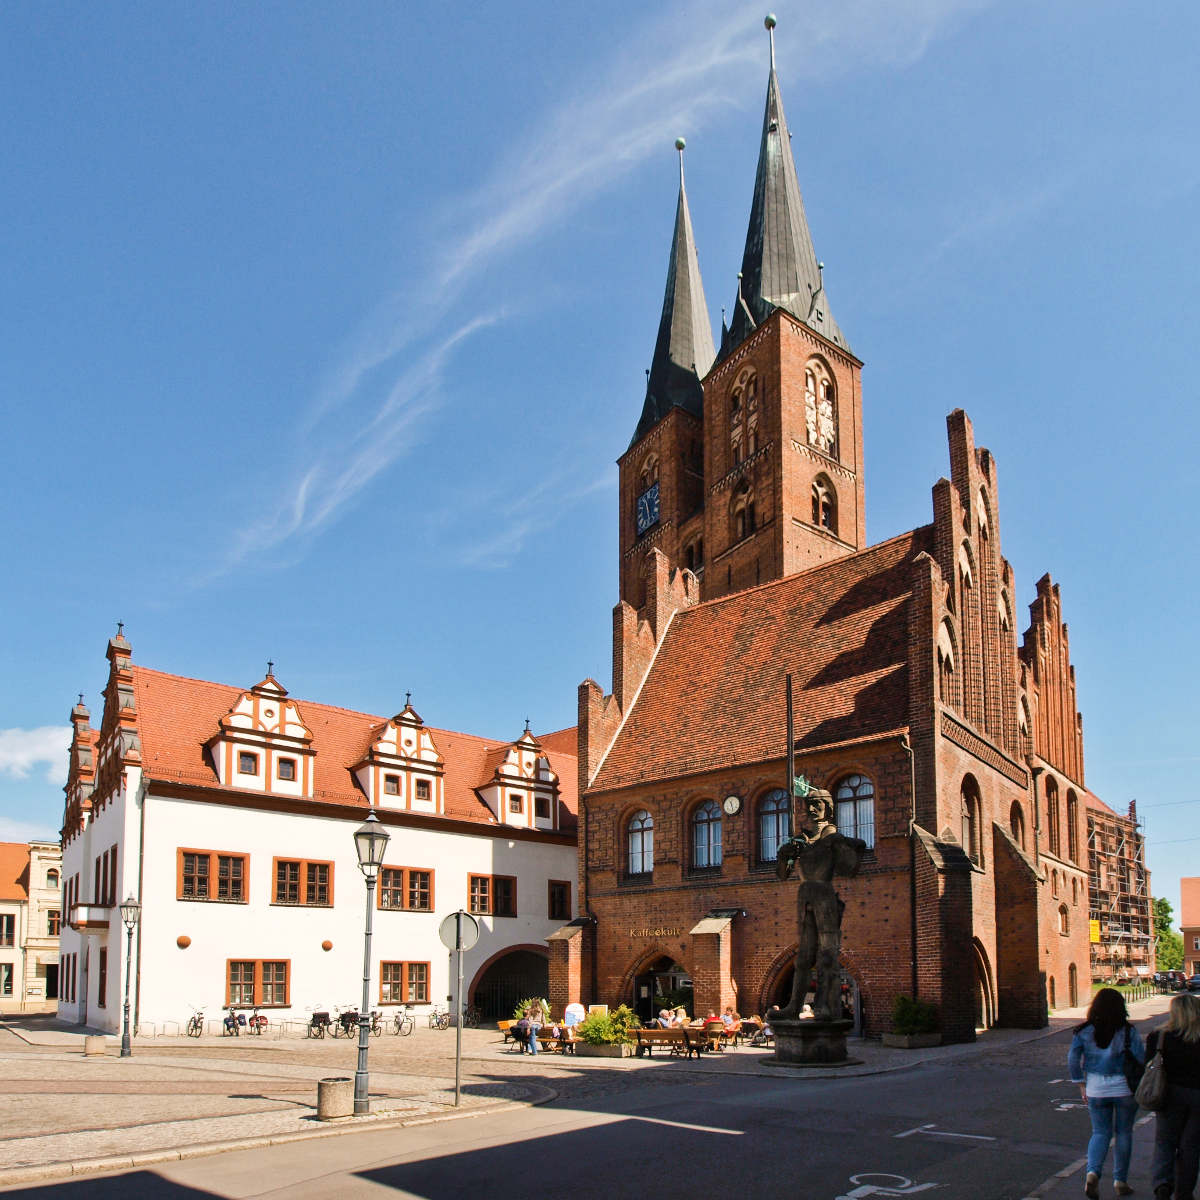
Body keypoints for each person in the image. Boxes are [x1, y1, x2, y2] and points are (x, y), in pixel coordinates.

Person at [771, 786, 866, 1021]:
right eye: (809, 805)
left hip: (824, 895)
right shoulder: (800, 840)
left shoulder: (832, 837)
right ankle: (794, 1006)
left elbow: (850, 868)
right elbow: (782, 874)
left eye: (818, 805)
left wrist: (843, 846)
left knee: (827, 954)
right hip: (805, 896)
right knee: (803, 957)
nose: (813, 809)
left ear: (828, 808)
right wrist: (784, 855)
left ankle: (825, 1005)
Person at [1069, 987, 1145, 1197]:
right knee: (1124, 1133)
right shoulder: (1128, 1031)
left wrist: (1081, 1084)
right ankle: (1120, 1181)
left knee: (1100, 1133)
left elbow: (1073, 1059)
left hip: (1095, 1088)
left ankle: (1093, 1172)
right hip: (1124, 1088)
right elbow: (1140, 1058)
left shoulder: (1083, 1031)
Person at [1148, 992, 1200, 1200]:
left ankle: (1162, 1185)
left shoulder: (1159, 1037)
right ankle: (1184, 1192)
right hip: (1198, 1096)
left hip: (1168, 1095)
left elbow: (1149, 1066)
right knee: (1191, 1147)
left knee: (1164, 1143)